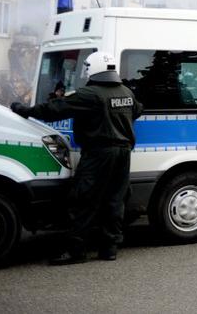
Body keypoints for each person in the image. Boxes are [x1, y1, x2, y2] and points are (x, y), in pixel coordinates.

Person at [11, 52, 142, 265]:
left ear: (94, 69)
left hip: (99, 154)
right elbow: (137, 110)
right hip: (123, 153)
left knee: (83, 200)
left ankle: (76, 251)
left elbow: (55, 109)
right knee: (115, 200)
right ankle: (109, 248)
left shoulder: (90, 94)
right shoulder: (125, 91)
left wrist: (23, 110)